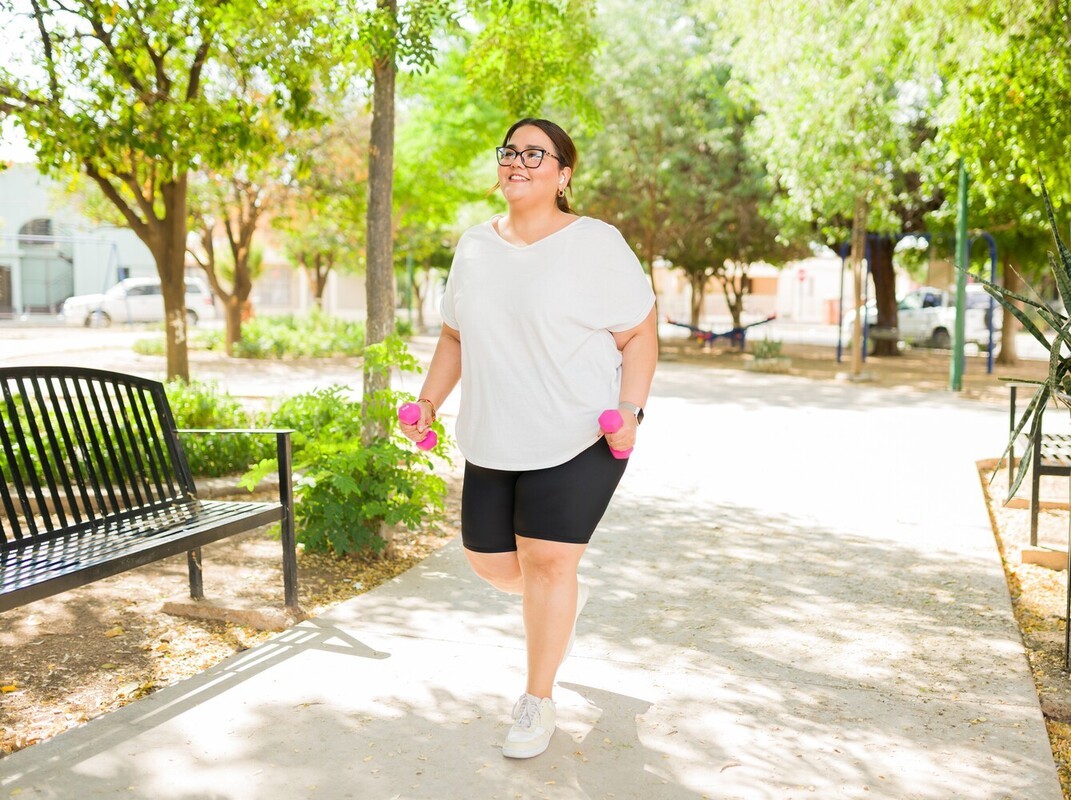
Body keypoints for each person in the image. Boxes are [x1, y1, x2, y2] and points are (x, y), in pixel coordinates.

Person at [400, 117, 657, 759]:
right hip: (492, 433)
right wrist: (430, 402)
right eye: (510, 151)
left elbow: (639, 333)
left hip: (580, 433)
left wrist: (632, 408)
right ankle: (561, 594)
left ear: (564, 174)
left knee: (546, 560)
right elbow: (456, 335)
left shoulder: (596, 243)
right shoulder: (474, 246)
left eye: (535, 154)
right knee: (491, 564)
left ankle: (536, 701)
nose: (518, 161)